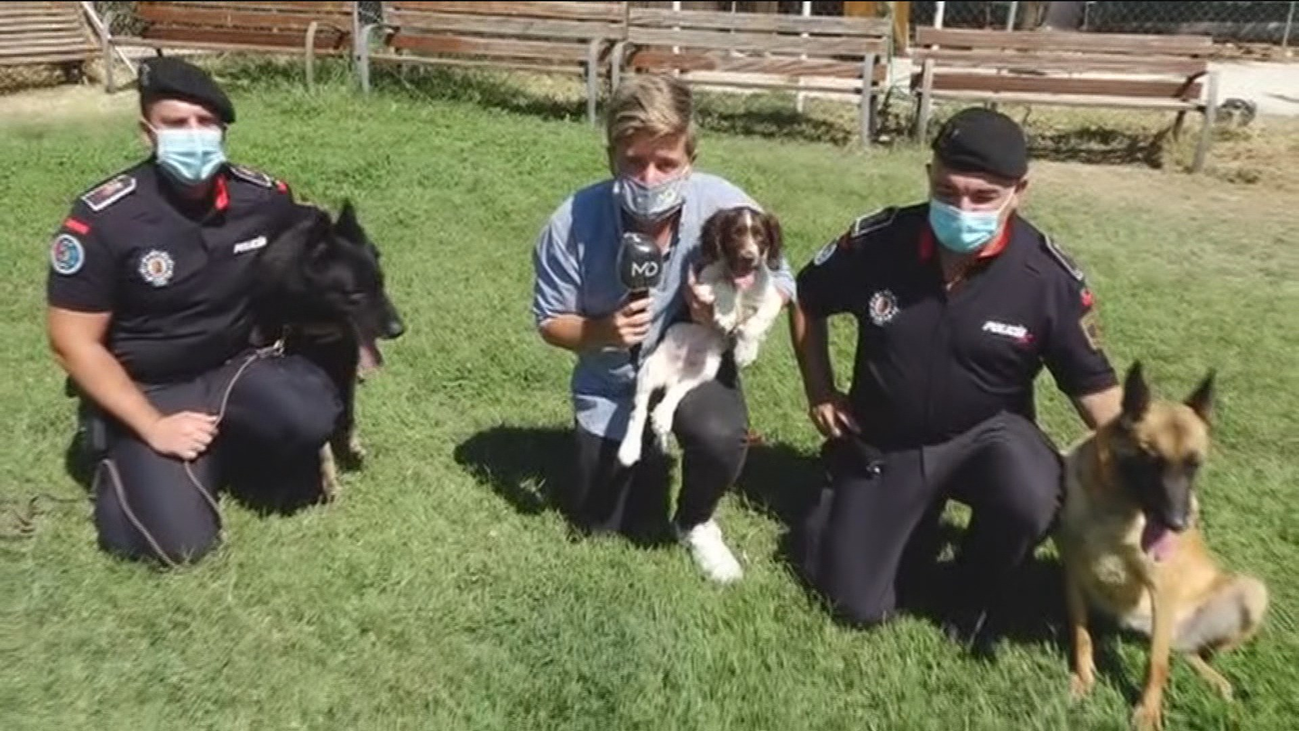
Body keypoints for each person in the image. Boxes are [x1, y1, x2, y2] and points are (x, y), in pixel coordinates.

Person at [788, 107, 1123, 647]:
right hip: (890, 439)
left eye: (984, 196)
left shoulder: (1046, 278)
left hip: (990, 437)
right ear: (928, 176)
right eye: (947, 191)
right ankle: (872, 513)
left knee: (1033, 491)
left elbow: (1097, 392)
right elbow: (807, 297)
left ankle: (976, 587)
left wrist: (1150, 469)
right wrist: (819, 390)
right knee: (854, 603)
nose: (962, 208)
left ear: (1020, 191)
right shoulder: (879, 242)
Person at [45, 57, 342, 568]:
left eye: (206, 123)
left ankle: (219, 451)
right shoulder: (103, 221)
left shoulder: (264, 198)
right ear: (147, 133)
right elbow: (72, 342)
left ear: (223, 131)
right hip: (148, 386)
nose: (194, 135)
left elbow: (312, 261)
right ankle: (122, 454)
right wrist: (153, 425)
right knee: (175, 545)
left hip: (233, 365)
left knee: (310, 412)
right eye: (176, 123)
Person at [531, 74, 796, 583]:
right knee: (601, 524)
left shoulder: (720, 203)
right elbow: (549, 322)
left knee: (721, 436)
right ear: (611, 156)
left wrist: (735, 312)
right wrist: (603, 331)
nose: (650, 177)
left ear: (689, 161)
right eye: (634, 161)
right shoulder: (571, 223)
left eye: (666, 163)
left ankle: (697, 520)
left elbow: (781, 274)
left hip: (693, 362)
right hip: (611, 384)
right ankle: (638, 451)